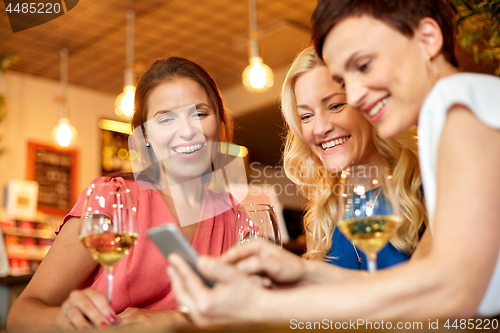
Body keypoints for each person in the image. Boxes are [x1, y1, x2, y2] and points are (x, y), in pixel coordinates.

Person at [167, 0, 500, 325]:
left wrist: (260, 305)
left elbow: (454, 294)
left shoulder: (457, 106)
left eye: (364, 65)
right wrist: (306, 272)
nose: (355, 95)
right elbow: (421, 280)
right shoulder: (454, 113)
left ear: (428, 39)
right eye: (345, 79)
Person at [6, 57, 238, 331]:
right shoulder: (112, 198)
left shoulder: (231, 214)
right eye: (165, 119)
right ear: (145, 135)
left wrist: (176, 320)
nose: (188, 131)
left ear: (219, 120)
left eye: (199, 113)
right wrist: (65, 319)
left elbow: (248, 312)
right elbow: (21, 315)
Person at [282, 46, 428, 270]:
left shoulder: (425, 188)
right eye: (307, 116)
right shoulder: (320, 218)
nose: (320, 128)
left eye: (336, 105)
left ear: (371, 106)